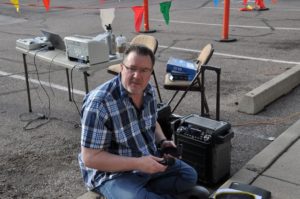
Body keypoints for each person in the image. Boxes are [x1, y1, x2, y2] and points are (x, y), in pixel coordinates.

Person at [78, 44, 208, 199]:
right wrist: (138, 163)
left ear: (150, 73)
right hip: (113, 174)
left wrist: (163, 142)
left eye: (144, 70)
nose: (137, 76)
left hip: (148, 160)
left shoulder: (148, 90)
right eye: (132, 68)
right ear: (121, 68)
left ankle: (145, 191)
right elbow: (90, 158)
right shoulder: (99, 104)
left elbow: (152, 123)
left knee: (189, 176)